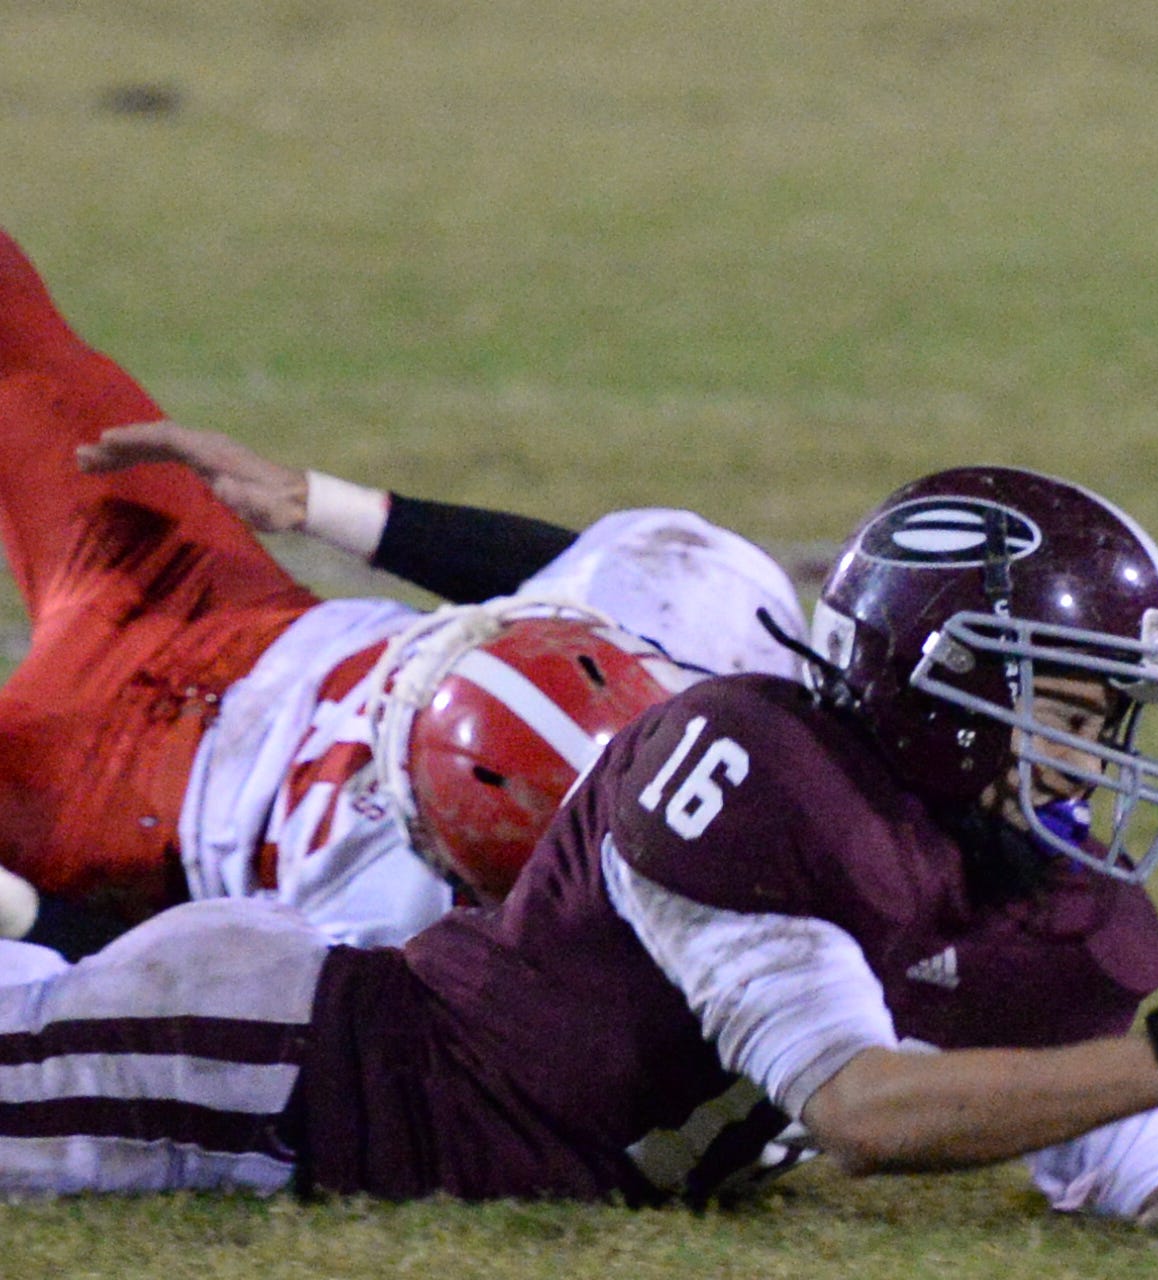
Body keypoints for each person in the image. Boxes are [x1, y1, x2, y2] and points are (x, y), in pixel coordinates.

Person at [0, 463, 1158, 1229]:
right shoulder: (755, 777)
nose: (1091, 759)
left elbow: (1150, 1189)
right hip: (286, 1072)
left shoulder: (1011, 898)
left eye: (1110, 716)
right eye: (1063, 707)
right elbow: (863, 1112)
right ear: (934, 683)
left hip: (408, 1110)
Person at [0, 227, 806, 954]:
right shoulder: (722, 654)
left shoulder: (434, 963)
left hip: (120, 817)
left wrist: (20, 913)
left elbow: (156, 1001)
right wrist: (318, 504)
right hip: (226, 611)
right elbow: (600, 564)